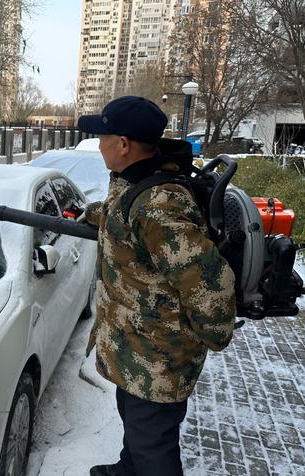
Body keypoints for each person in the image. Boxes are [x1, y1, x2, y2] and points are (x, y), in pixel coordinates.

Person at [77, 96, 236, 476]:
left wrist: (212, 337)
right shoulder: (136, 177)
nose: (98, 145)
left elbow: (210, 284)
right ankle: (127, 468)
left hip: (158, 356)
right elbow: (125, 215)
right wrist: (93, 215)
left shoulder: (159, 205)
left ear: (124, 144)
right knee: (135, 422)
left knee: (154, 447)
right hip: (135, 348)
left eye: (102, 137)